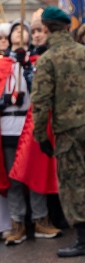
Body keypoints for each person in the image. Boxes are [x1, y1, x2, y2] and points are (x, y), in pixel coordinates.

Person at [31, 7, 85, 257]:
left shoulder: (47, 59)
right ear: (68, 27)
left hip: (67, 130)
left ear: (45, 28)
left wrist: (41, 136)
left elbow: (41, 102)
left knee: (73, 182)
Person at [1, 23, 61, 245]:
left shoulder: (37, 62)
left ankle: (40, 219)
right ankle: (17, 223)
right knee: (13, 177)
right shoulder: (2, 63)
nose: (19, 33)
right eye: (15, 30)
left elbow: (41, 93)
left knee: (35, 173)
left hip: (32, 125)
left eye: (23, 30)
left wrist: (27, 69)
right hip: (7, 126)